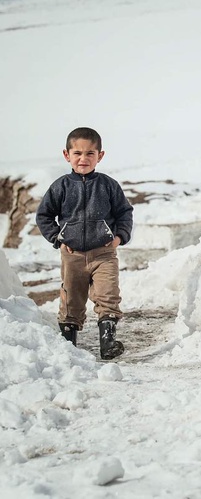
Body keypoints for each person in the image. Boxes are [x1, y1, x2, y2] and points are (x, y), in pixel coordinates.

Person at [35, 127, 133, 359]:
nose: (83, 159)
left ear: (100, 156)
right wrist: (57, 239)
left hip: (104, 253)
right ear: (66, 155)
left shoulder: (108, 185)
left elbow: (124, 213)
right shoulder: (61, 187)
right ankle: (68, 345)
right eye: (77, 153)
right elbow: (44, 216)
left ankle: (108, 342)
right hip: (73, 254)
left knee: (108, 294)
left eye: (90, 153)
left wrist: (119, 237)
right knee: (72, 299)